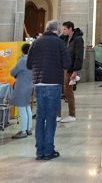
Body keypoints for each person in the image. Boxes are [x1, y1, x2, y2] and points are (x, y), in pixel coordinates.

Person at [27, 20, 70, 160]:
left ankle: (39, 151)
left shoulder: (36, 42)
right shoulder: (59, 43)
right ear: (57, 30)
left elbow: (28, 64)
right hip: (53, 83)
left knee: (40, 117)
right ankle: (48, 151)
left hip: (38, 83)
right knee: (51, 117)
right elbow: (67, 63)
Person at [60, 21, 84, 123]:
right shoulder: (65, 38)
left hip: (71, 68)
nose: (63, 31)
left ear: (70, 29)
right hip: (63, 67)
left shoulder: (78, 39)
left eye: (65, 29)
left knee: (68, 91)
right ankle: (59, 115)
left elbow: (79, 56)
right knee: (64, 90)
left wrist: (75, 70)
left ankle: (72, 114)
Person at [10, 43, 33, 139]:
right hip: (30, 86)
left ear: (22, 51)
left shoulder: (23, 60)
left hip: (21, 86)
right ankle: (28, 129)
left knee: (21, 108)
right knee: (27, 107)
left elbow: (13, 72)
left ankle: (23, 130)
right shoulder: (33, 60)